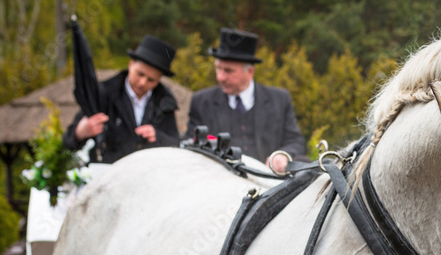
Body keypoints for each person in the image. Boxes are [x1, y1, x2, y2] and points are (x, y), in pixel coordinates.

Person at [186, 28, 307, 172]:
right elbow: (189, 146)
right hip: (220, 183)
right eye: (218, 68)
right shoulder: (201, 102)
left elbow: (296, 141)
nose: (220, 77)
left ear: (250, 72)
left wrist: (282, 155)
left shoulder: (279, 100)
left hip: (271, 183)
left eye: (228, 71)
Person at [63, 35, 180, 164]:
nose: (142, 82)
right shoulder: (103, 94)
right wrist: (80, 132)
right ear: (130, 65)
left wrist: (157, 137)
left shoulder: (165, 102)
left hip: (147, 175)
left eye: (151, 80)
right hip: (107, 174)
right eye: (140, 74)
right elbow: (68, 141)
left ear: (159, 80)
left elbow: (175, 143)